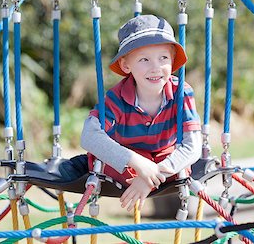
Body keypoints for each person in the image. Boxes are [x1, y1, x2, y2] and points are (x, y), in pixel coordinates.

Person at [81, 14, 202, 212]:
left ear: (172, 60)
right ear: (126, 65)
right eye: (144, 59)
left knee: (183, 167)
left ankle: (152, 175)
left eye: (163, 58)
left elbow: (193, 146)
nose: (156, 68)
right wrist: (138, 163)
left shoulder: (182, 92)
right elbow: (89, 136)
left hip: (166, 159)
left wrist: (149, 177)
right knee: (103, 162)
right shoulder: (117, 98)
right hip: (129, 159)